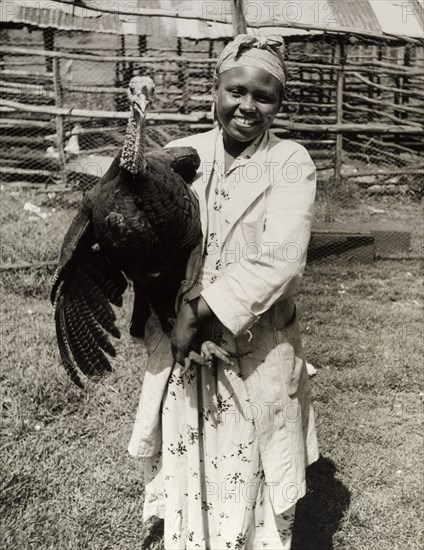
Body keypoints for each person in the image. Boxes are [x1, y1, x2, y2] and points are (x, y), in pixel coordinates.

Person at [128, 34, 319, 550]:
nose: (248, 106)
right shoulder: (178, 156)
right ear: (215, 89)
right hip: (182, 345)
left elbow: (282, 259)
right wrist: (175, 317)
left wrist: (203, 308)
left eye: (265, 97)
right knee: (190, 461)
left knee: (248, 465)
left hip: (252, 345)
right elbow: (153, 244)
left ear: (280, 104)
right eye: (236, 91)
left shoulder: (291, 161)